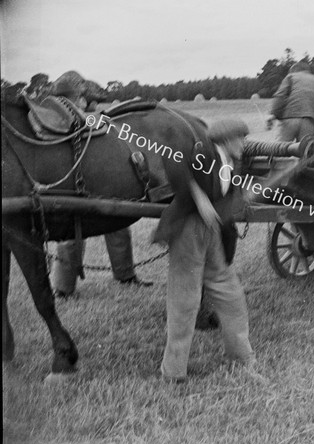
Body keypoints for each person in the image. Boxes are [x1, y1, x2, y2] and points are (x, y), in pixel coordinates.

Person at [153, 119, 257, 383]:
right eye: (241, 139)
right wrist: (199, 198)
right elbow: (172, 159)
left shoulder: (231, 162)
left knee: (229, 291)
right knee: (185, 300)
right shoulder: (205, 153)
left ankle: (241, 357)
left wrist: (242, 197)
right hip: (188, 228)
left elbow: (227, 193)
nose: (245, 144)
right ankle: (173, 372)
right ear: (227, 139)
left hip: (210, 231)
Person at [50, 71, 151, 296]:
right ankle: (63, 288)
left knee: (118, 219)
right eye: (82, 97)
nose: (86, 101)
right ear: (76, 97)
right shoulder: (62, 119)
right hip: (77, 181)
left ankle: (125, 274)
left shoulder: (85, 115)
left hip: (102, 176)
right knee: (73, 229)